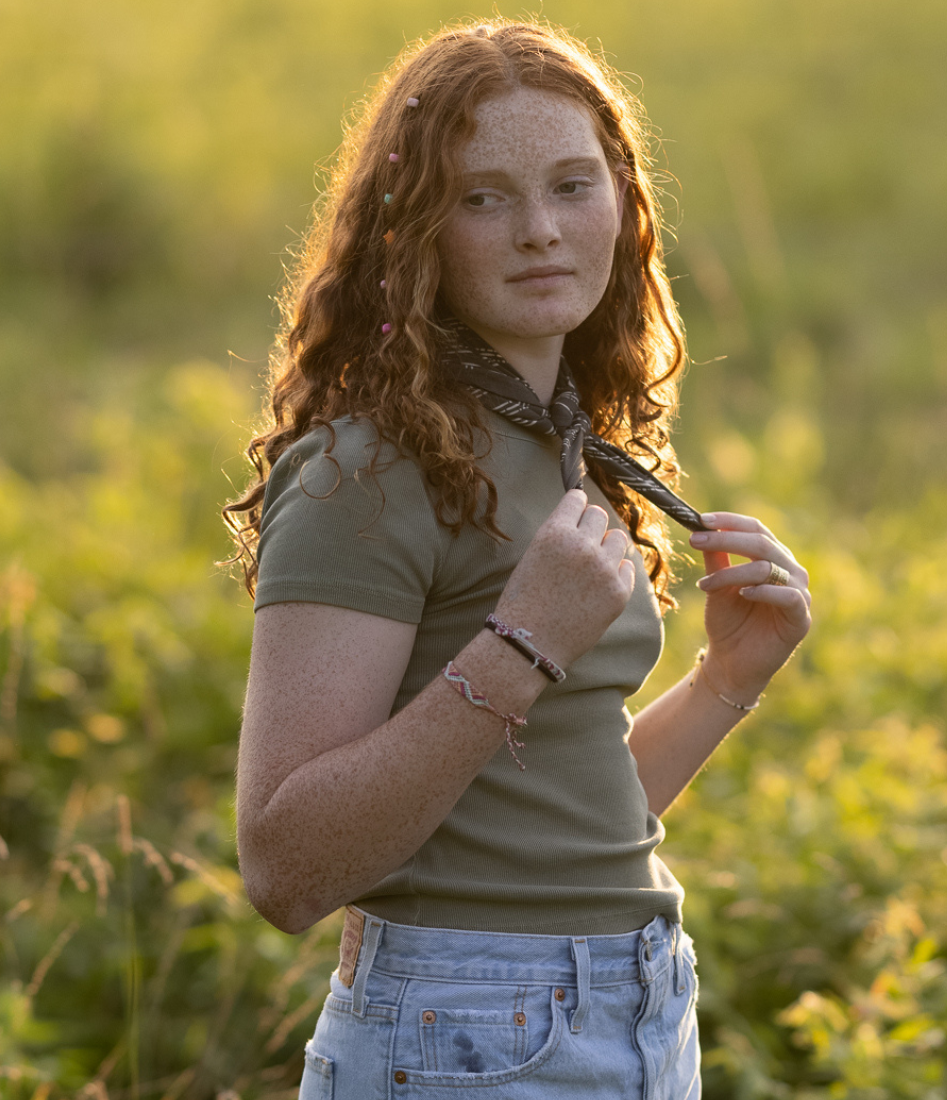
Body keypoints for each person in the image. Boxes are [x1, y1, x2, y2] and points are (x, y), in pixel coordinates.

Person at [223, 19, 811, 1100]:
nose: (540, 230)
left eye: (572, 185)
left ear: (626, 203)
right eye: (482, 196)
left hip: (636, 1009)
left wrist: (727, 679)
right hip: (464, 1031)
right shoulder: (364, 469)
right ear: (414, 231)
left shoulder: (569, 446)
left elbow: (553, 823)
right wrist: (524, 638)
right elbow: (286, 866)